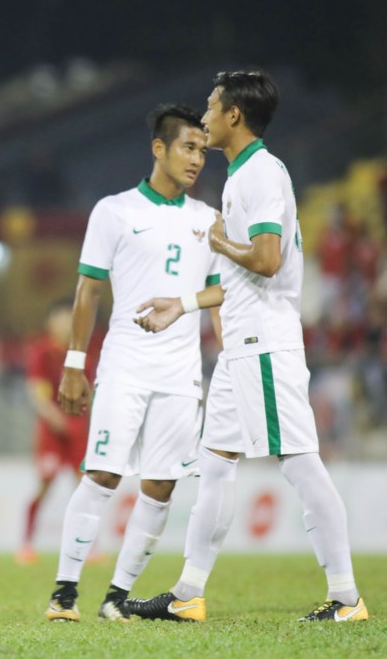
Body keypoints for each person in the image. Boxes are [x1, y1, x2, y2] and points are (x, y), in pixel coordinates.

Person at [130, 70, 368, 623]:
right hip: (244, 346)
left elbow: (265, 260)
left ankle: (347, 596)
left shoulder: (260, 174)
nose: (205, 117)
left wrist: (218, 241)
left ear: (234, 114)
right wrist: (183, 304)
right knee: (214, 467)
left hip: (264, 345)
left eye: (212, 107)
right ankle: (189, 592)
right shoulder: (244, 174)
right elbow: (242, 276)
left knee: (301, 463)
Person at [45, 104, 221, 622]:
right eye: (188, 147)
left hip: (181, 371)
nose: (196, 160)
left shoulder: (208, 221)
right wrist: (74, 364)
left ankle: (117, 597)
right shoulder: (114, 210)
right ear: (158, 148)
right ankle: (64, 592)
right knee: (101, 473)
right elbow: (88, 289)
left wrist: (225, 362)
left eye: (203, 152)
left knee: (161, 486)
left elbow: (217, 293)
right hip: (125, 363)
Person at [16, 299, 98, 564]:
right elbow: (37, 393)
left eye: (69, 319)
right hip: (52, 432)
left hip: (77, 431)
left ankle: (89, 547)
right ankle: (26, 543)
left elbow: (91, 389)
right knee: (44, 485)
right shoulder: (42, 351)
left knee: (85, 488)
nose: (65, 324)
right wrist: (56, 419)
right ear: (50, 322)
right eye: (61, 319)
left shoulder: (80, 351)